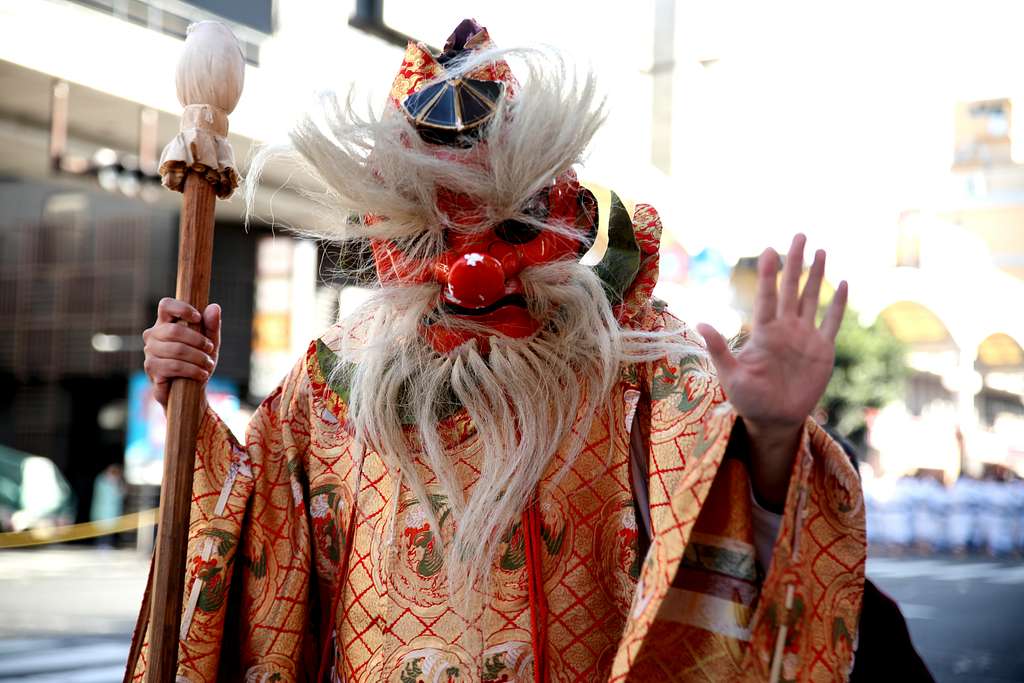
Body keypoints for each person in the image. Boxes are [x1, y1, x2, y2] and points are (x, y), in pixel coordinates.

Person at [130, 20, 864, 682]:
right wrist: (187, 410)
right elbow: (256, 545)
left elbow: (726, 528)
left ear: (567, 220)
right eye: (430, 239)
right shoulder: (332, 385)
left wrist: (769, 436)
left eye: (509, 231)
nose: (470, 274)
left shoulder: (635, 367)